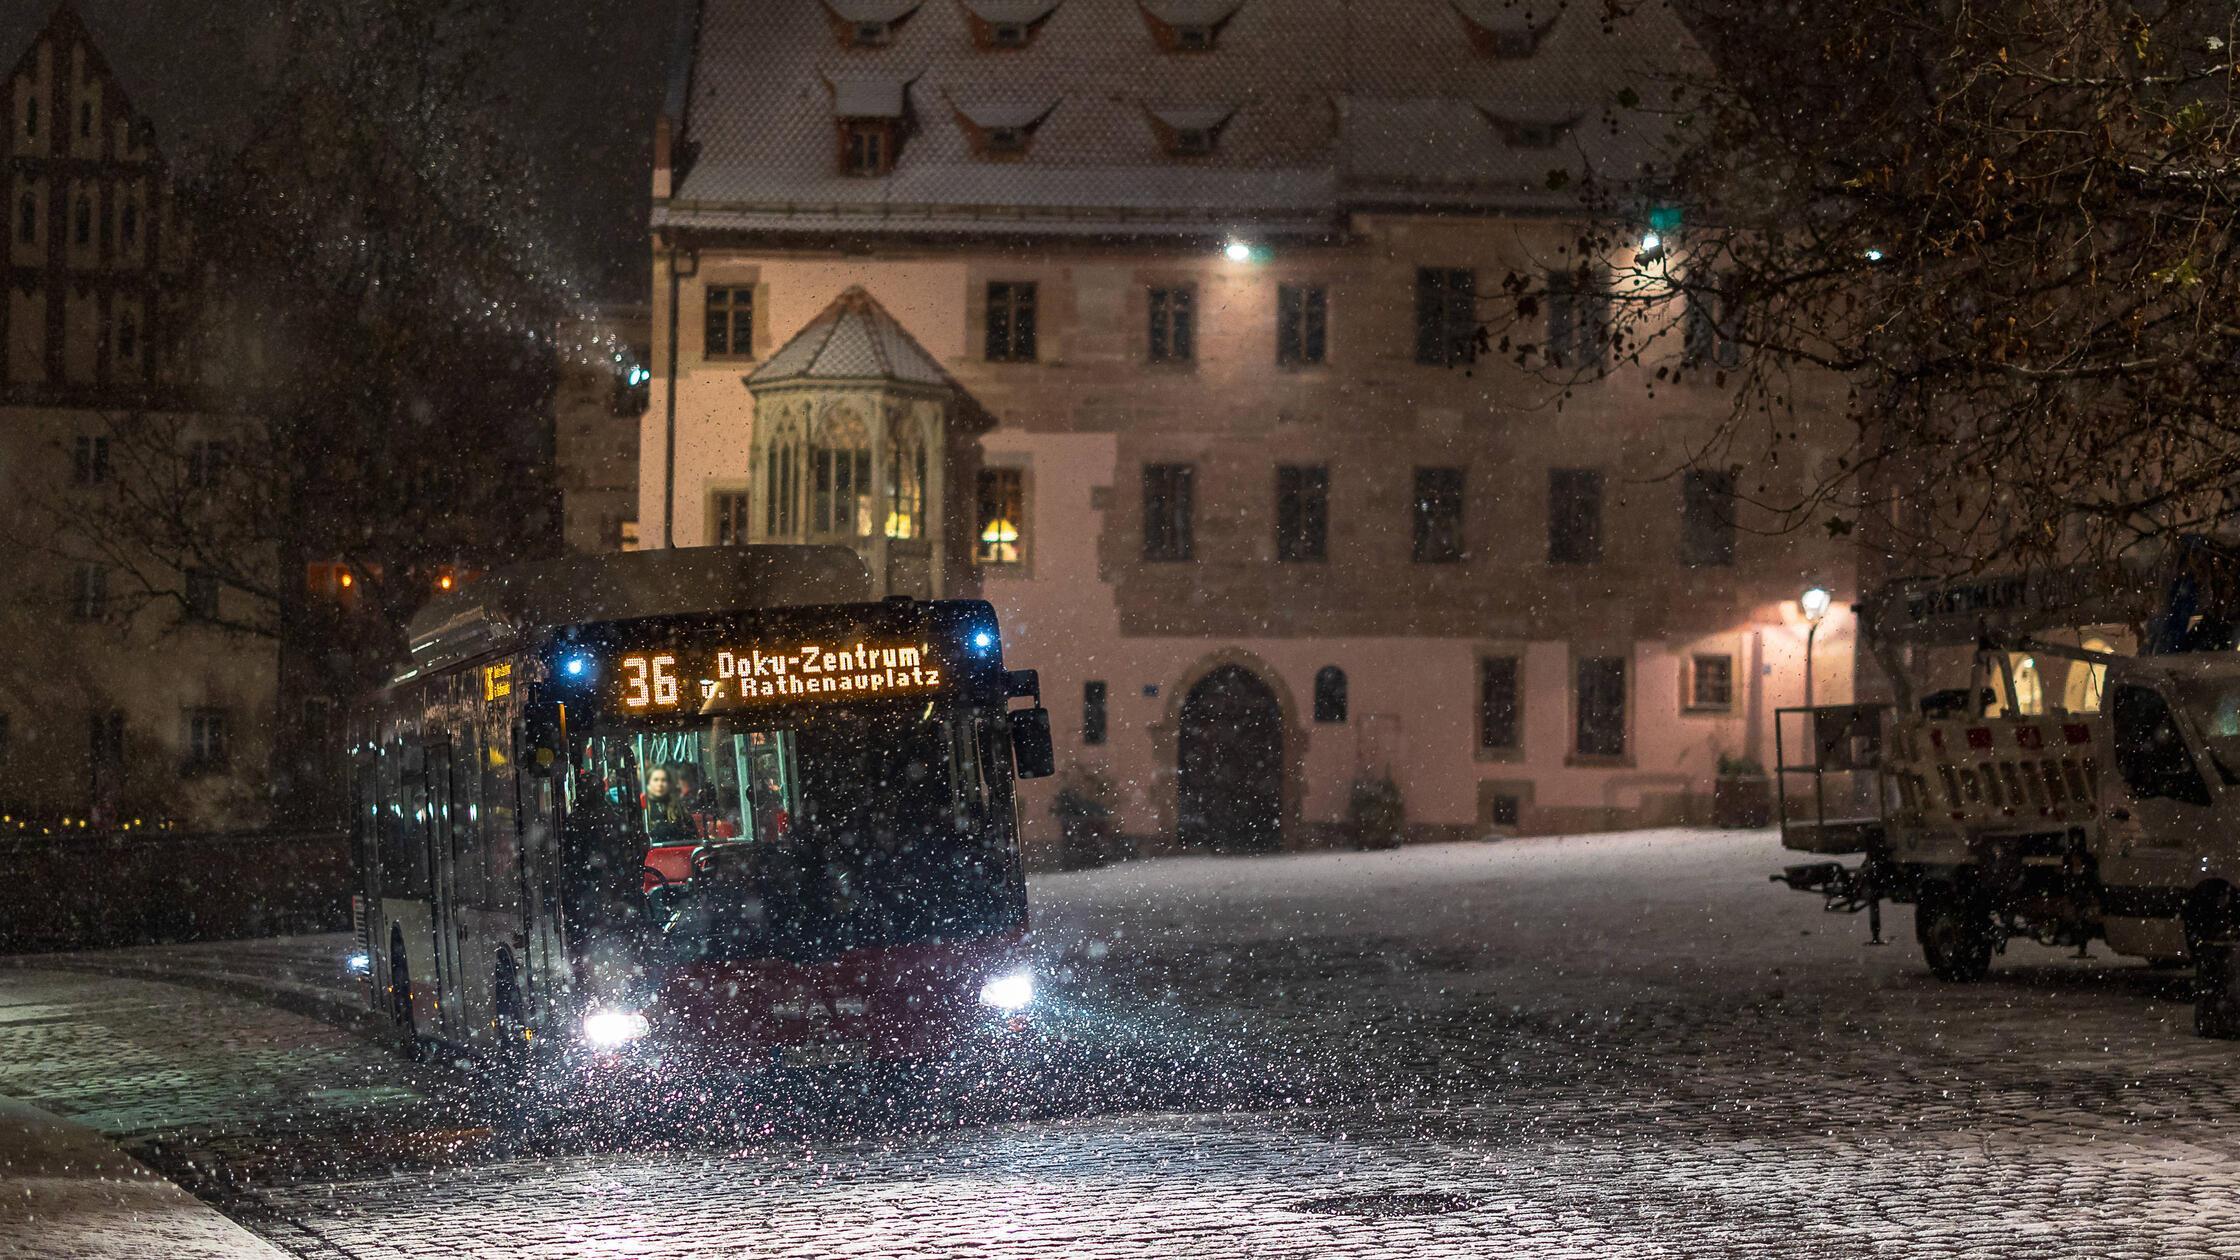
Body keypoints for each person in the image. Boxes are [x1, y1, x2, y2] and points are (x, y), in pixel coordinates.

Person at [643, 764, 696, 844]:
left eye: (663, 780)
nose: (660, 784)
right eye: (656, 780)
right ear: (648, 783)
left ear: (669, 784)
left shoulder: (678, 807)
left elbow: (691, 835)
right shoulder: (643, 808)